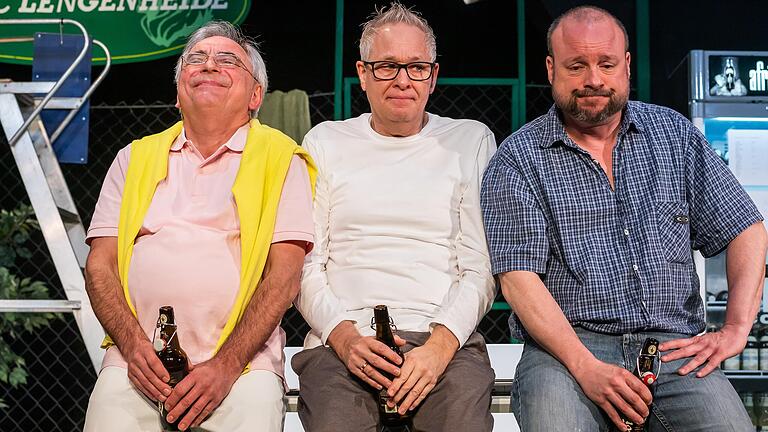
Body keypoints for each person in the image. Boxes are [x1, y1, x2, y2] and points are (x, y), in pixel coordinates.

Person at [481, 5, 767, 431]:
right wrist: (585, 366)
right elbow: (518, 277)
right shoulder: (518, 158)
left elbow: (745, 227)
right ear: (551, 68)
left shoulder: (674, 135)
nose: (593, 79)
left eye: (606, 64)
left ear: (626, 65)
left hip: (673, 346)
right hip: (566, 349)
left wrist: (737, 327)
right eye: (576, 65)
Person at [82, 21, 316, 432]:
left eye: (227, 61)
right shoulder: (133, 158)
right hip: (136, 364)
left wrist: (226, 366)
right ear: (177, 93)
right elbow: (100, 266)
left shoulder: (282, 159)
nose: (208, 65)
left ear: (255, 95)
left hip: (244, 369)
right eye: (196, 59)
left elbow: (285, 276)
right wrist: (135, 350)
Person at [291, 3, 496, 431]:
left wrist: (439, 349)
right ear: (362, 74)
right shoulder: (325, 141)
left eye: (417, 67)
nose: (403, 80)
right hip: (344, 340)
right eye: (387, 67)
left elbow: (479, 267)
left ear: (434, 76)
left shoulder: (469, 140)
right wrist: (346, 339)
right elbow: (308, 264)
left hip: (445, 342)